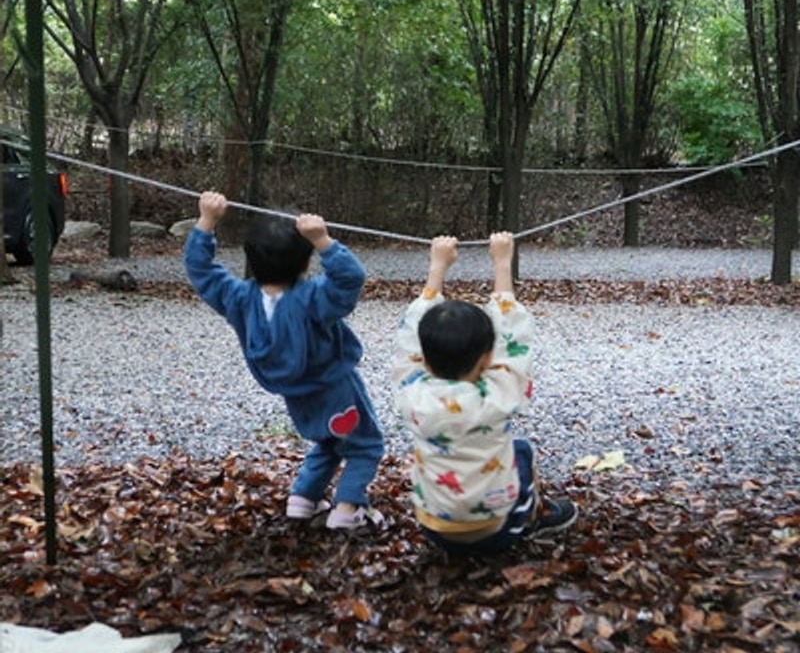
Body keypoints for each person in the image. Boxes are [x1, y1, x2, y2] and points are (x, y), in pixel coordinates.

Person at [184, 192, 385, 530]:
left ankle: (303, 499)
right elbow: (350, 278)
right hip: (338, 392)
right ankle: (349, 509)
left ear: (251, 258)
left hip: (297, 396)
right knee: (365, 444)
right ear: (305, 263)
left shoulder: (239, 300)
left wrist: (206, 222)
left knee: (329, 440)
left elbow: (201, 271)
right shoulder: (312, 299)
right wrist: (323, 241)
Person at [392, 232, 577, 556]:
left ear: (424, 360)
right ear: (487, 359)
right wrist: (502, 263)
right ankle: (535, 516)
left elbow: (410, 340)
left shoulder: (413, 394)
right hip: (497, 530)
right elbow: (513, 341)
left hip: (434, 527)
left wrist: (436, 269)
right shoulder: (498, 395)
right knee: (522, 451)